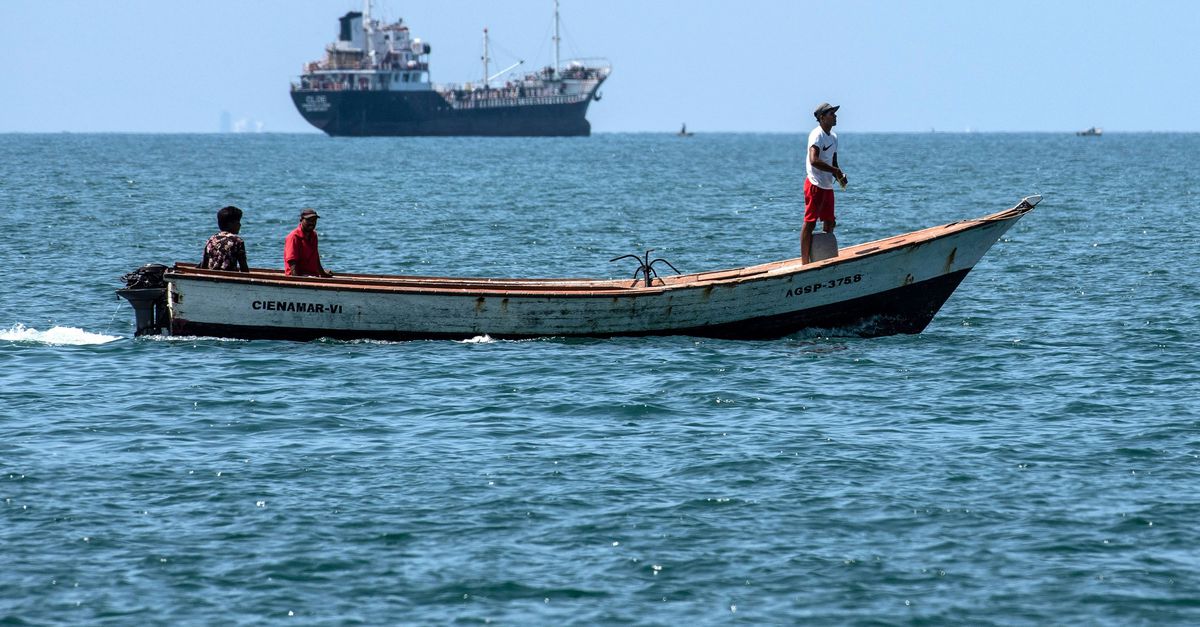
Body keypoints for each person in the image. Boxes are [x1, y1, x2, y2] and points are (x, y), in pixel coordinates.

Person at [802, 102, 848, 264]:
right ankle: (805, 264)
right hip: (815, 185)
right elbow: (814, 160)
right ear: (822, 118)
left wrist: (840, 175)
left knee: (830, 222)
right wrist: (834, 171)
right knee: (810, 223)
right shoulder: (817, 135)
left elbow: (834, 161)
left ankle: (825, 260)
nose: (835, 116)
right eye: (831, 114)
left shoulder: (833, 137)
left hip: (827, 185)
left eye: (835, 113)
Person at [284, 208, 333, 277]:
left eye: (314, 220)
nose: (312, 223)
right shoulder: (293, 237)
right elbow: (292, 262)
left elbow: (315, 258)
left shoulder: (314, 235)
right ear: (301, 220)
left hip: (312, 275)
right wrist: (297, 281)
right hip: (298, 276)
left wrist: (323, 273)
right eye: (308, 220)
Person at [199, 205, 249, 272]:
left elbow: (204, 265)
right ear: (230, 224)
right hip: (230, 277)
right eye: (238, 222)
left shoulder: (211, 239)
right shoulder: (237, 241)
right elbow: (244, 268)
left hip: (211, 275)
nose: (240, 225)